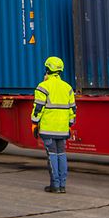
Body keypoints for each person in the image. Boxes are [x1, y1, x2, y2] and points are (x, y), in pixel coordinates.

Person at [31, 56, 76, 194]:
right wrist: (69, 124)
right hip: (62, 129)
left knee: (51, 155)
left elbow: (38, 108)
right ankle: (62, 185)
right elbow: (72, 110)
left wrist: (34, 123)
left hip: (48, 129)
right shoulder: (68, 88)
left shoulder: (43, 87)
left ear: (47, 70)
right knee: (61, 155)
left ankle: (54, 185)